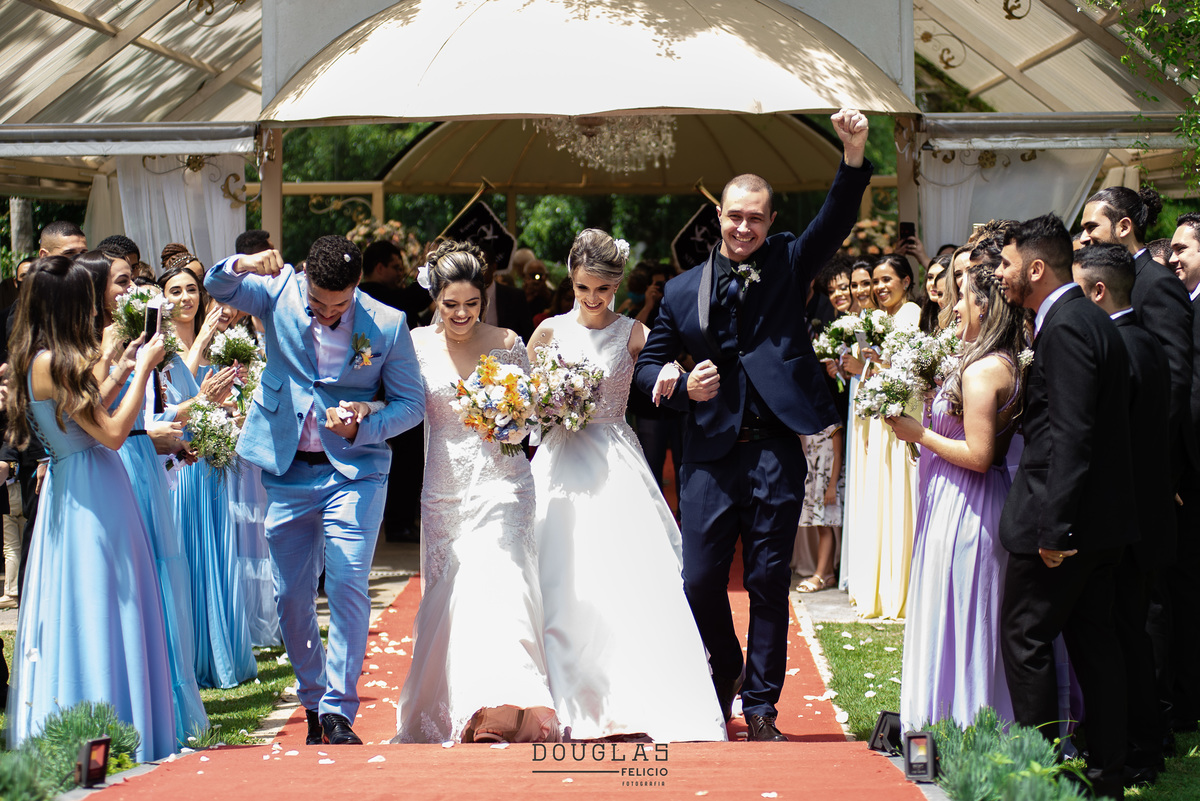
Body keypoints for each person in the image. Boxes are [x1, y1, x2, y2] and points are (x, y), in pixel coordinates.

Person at [633, 108, 872, 742]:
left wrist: (851, 156)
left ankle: (762, 703)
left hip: (774, 451)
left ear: (769, 222)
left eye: (756, 217)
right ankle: (728, 663)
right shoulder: (682, 290)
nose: (743, 226)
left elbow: (836, 220)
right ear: (720, 218)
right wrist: (681, 385)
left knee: (769, 579)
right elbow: (647, 367)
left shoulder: (791, 263)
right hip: (708, 454)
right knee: (699, 579)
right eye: (734, 216)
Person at [528, 229, 725, 742]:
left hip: (614, 457)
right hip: (558, 457)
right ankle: (564, 693)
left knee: (625, 571)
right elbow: (525, 398)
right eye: (583, 289)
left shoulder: (634, 333)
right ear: (570, 281)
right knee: (560, 572)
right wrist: (548, 407)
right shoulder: (548, 332)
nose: (593, 299)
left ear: (617, 286)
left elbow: (666, 370)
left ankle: (632, 690)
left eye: (603, 290)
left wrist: (673, 378)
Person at [5, 256, 176, 761]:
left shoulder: (41, 359)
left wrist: (119, 368)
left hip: (79, 484)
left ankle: (106, 727)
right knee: (101, 604)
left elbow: (83, 415)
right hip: (90, 494)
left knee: (99, 602)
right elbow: (114, 432)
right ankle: (104, 730)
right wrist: (142, 370)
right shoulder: (50, 363)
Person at [393, 240, 558, 744]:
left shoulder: (508, 341)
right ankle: (467, 704)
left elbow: (532, 416)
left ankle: (503, 710)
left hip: (504, 483)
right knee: (455, 598)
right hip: (443, 489)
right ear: (434, 299)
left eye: (472, 303)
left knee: (503, 584)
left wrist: (510, 423)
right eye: (451, 305)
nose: (462, 314)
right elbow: (399, 406)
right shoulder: (414, 344)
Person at [995, 214, 1136, 800]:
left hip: (1064, 525)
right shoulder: (1085, 319)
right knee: (1092, 641)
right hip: (1094, 521)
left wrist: (1055, 529)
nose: (999, 275)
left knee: (1025, 639)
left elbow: (1074, 432)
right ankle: (1105, 771)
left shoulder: (1069, 326)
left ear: (1035, 267)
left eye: (1005, 263)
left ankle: (1044, 773)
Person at [77, 249, 208, 744]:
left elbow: (151, 405)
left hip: (145, 459)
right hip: (121, 459)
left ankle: (166, 698)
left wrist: (172, 444)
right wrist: (151, 439)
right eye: (122, 282)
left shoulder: (138, 340)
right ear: (95, 290)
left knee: (161, 578)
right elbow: (100, 419)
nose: (132, 290)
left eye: (133, 282)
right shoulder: (90, 347)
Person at [1079, 186, 1196, 738]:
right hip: (1129, 476)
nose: (1084, 238)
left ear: (1123, 228)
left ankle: (1160, 716)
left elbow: (1174, 383)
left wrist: (1164, 469)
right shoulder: (1119, 282)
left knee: (1151, 606)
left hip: (1152, 476)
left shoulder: (1157, 285)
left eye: (1092, 229)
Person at [887, 264, 1025, 730]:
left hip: (969, 504)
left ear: (983, 306)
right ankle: (944, 715)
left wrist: (918, 433)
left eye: (962, 296)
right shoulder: (982, 359)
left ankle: (968, 719)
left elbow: (979, 454)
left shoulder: (986, 370)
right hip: (951, 499)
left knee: (967, 616)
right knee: (949, 613)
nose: (954, 305)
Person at [1073, 242, 1172, 786]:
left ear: (1097, 291)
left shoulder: (1119, 346)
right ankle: (1144, 744)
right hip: (1144, 511)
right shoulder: (1143, 342)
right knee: (1129, 635)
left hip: (1125, 517)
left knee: (1122, 637)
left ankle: (1138, 748)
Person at [158, 252, 256, 691]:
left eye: (191, 289)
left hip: (210, 455)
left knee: (215, 552)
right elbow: (174, 402)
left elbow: (222, 396)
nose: (185, 297)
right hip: (178, 461)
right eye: (174, 291)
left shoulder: (217, 339)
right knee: (183, 552)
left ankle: (219, 651)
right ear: (161, 299)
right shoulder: (158, 345)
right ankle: (188, 653)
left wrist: (233, 407)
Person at [848, 254, 921, 620]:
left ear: (907, 281)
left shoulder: (911, 314)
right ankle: (876, 585)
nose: (878, 287)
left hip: (901, 414)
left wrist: (874, 362)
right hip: (877, 414)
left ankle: (901, 587)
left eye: (886, 279)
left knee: (898, 492)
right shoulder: (876, 319)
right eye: (875, 280)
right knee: (879, 493)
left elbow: (905, 366)